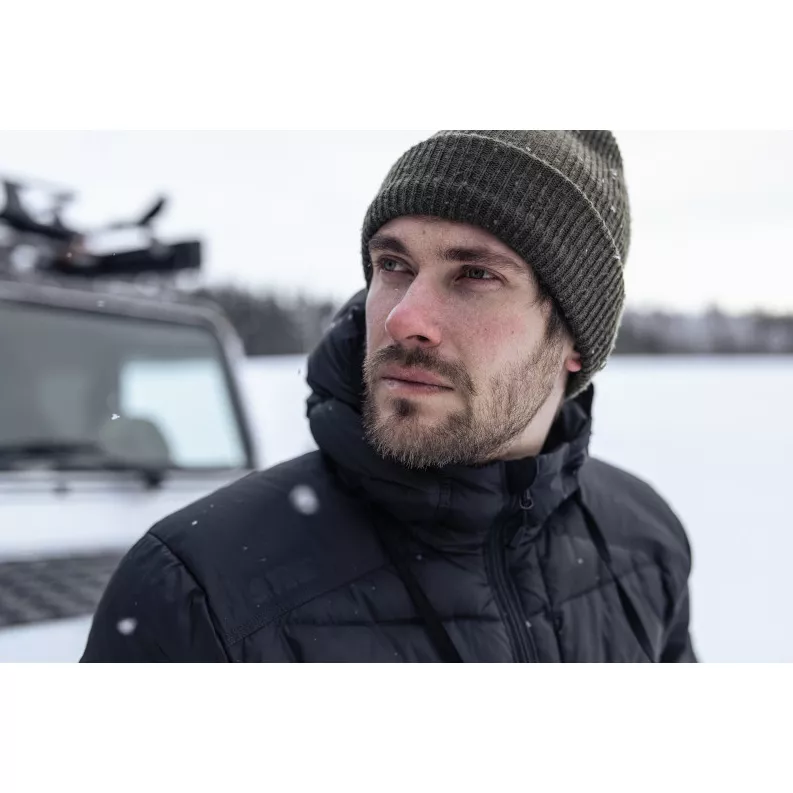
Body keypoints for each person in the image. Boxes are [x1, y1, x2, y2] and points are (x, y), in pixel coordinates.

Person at [81, 130, 697, 662]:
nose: (403, 319)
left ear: (575, 341)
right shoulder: (197, 589)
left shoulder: (644, 541)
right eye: (394, 265)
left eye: (476, 274)